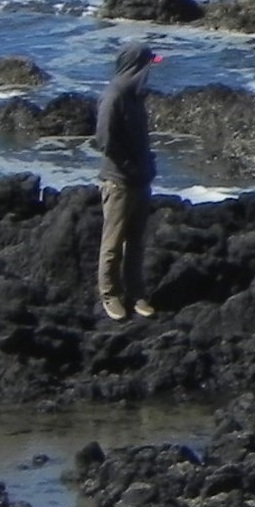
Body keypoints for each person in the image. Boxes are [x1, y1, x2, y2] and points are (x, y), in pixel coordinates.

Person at [93, 41, 160, 320]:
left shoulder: (135, 96)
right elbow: (105, 141)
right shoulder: (114, 97)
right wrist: (132, 168)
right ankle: (109, 294)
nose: (149, 71)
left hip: (140, 181)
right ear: (135, 66)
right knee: (113, 243)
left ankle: (136, 292)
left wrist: (147, 165)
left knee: (136, 242)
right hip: (119, 183)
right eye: (147, 65)